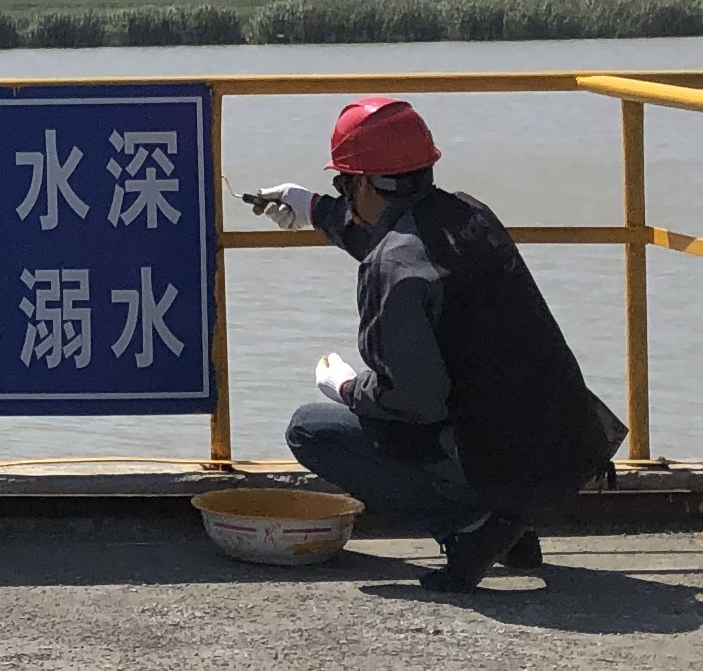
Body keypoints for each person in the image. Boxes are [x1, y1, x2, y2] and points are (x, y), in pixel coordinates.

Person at [246, 96, 621, 590]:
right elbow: (404, 242)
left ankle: (471, 527)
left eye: (344, 184)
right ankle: (512, 524)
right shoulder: (469, 214)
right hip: (570, 446)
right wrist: (316, 209)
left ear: (364, 183)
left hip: (506, 461)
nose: (345, 193)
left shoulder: (391, 265)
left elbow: (414, 400)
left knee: (311, 430)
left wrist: (347, 388)